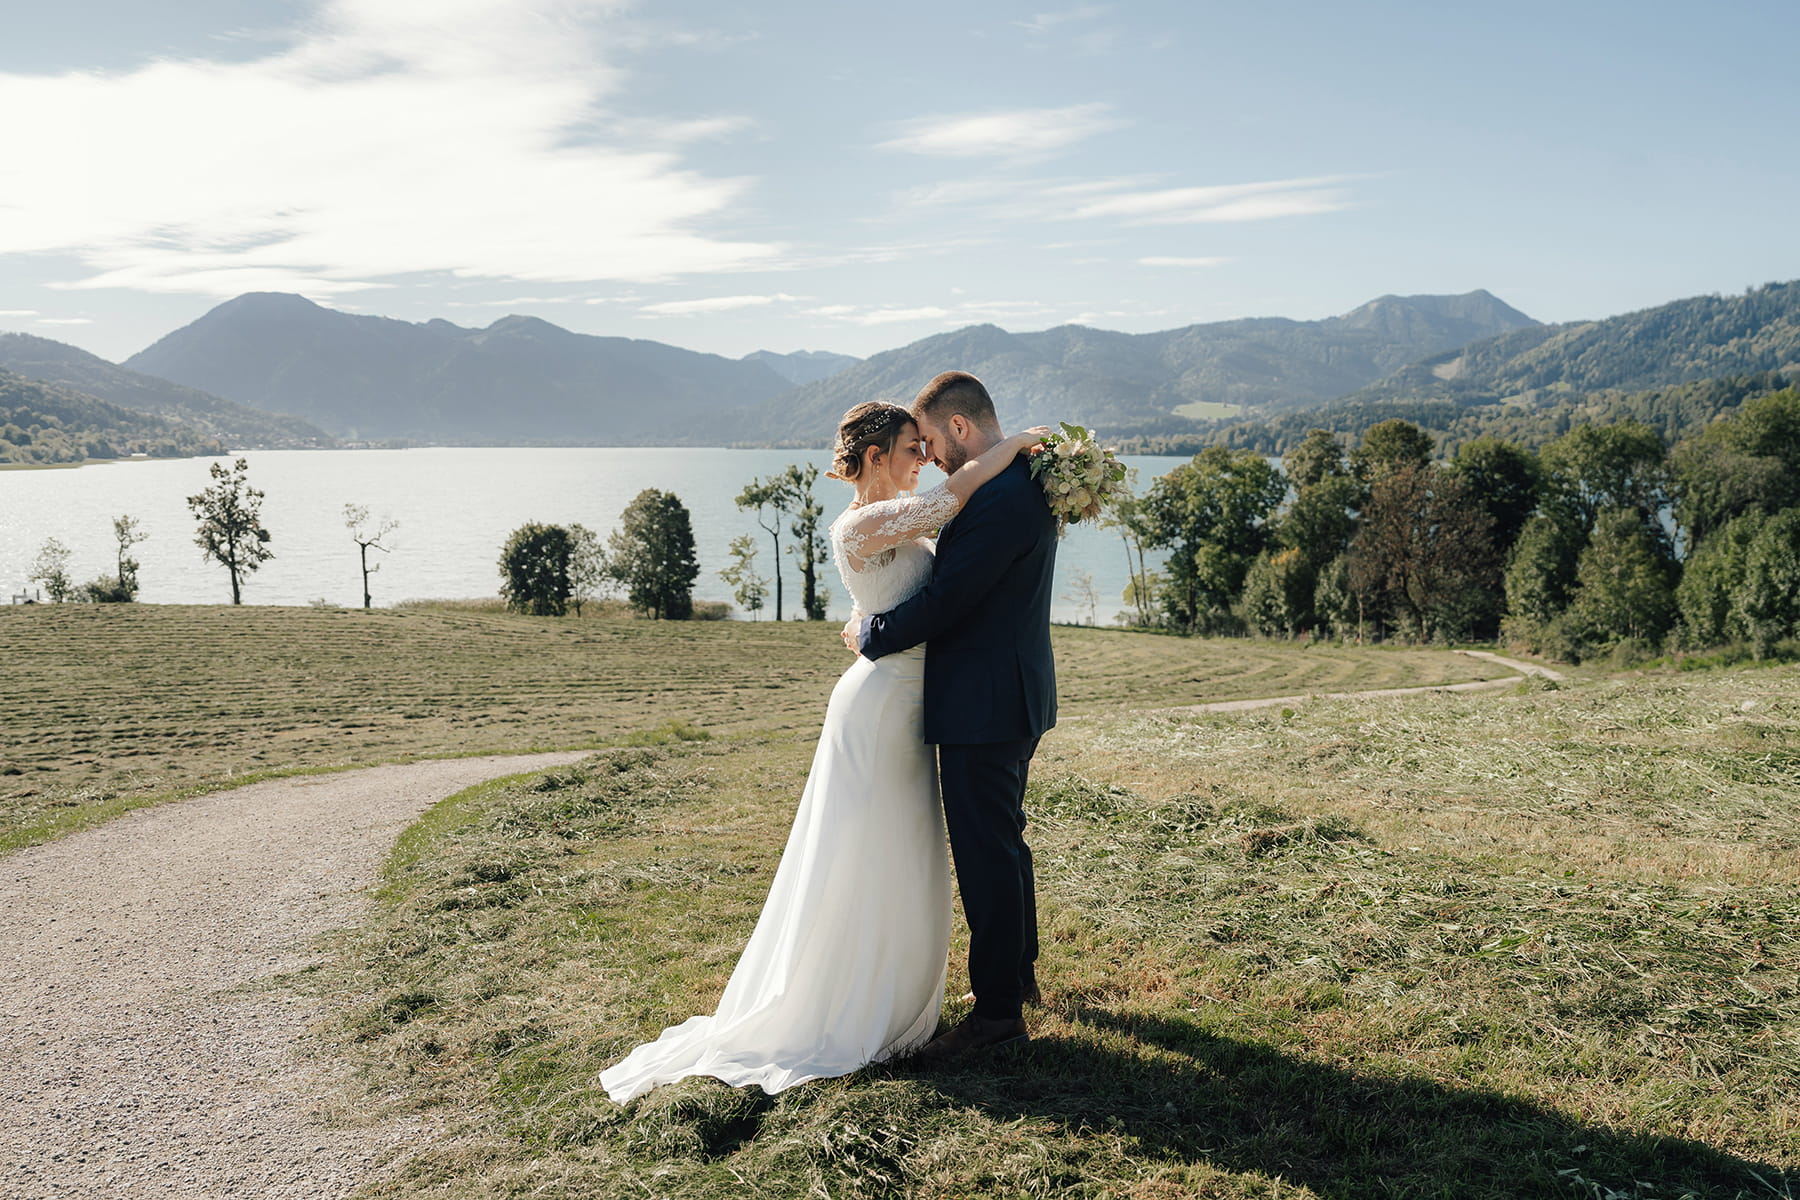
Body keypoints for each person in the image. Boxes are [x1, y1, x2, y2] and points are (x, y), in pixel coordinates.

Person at [598, 400, 1047, 1104]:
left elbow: (899, 585)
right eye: (909, 447)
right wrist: (1017, 442)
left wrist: (868, 617)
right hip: (881, 706)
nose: (923, 459)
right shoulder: (866, 521)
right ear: (874, 458)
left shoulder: (887, 516)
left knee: (904, 848)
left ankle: (896, 989)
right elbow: (956, 497)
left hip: (911, 700)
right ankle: (845, 998)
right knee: (861, 848)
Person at [851, 370, 1060, 1061]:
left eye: (934, 443)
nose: (933, 458)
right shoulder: (1015, 483)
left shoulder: (999, 498)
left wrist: (871, 637)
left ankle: (997, 1014)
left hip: (985, 702)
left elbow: (948, 603)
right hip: (1007, 692)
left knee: (986, 854)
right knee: (1004, 842)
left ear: (961, 428)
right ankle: (1016, 977)